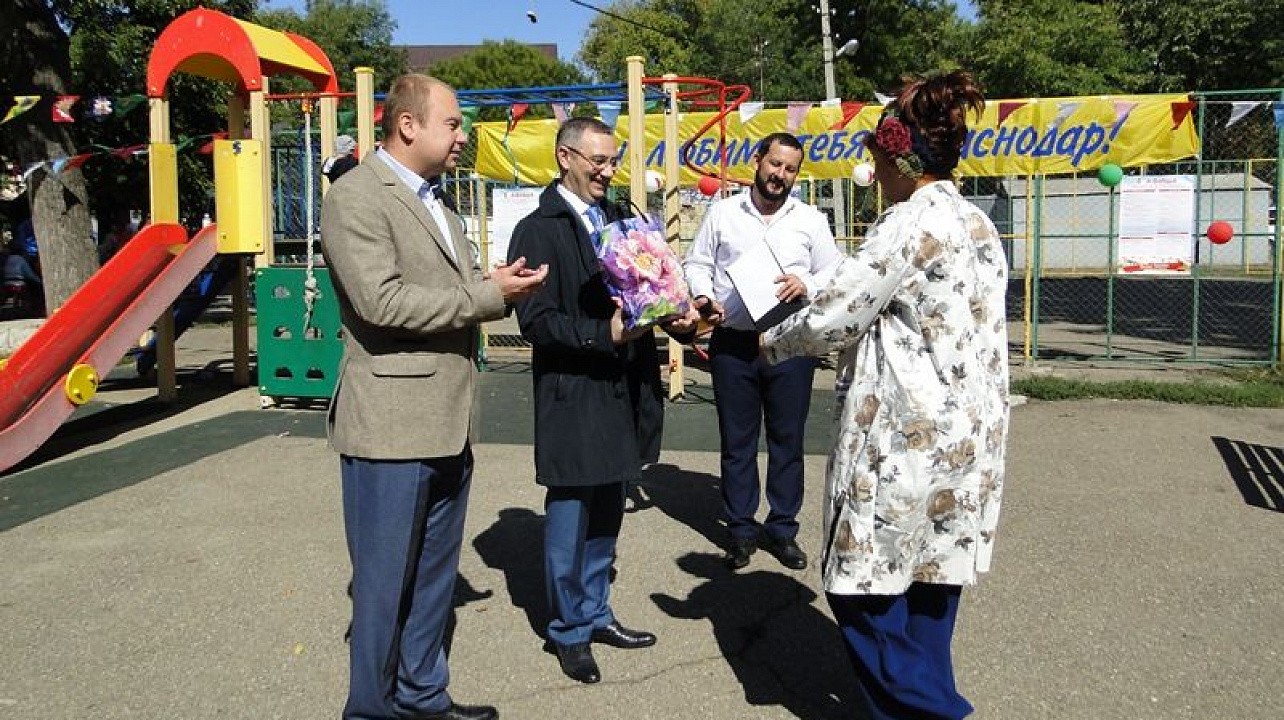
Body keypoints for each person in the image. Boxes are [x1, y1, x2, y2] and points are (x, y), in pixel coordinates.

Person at [760, 70, 1008, 720]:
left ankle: (941, 713)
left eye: (875, 159)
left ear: (897, 159)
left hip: (906, 442)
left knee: (860, 592)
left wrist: (760, 343)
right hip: (969, 444)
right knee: (929, 593)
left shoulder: (907, 224)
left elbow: (833, 315)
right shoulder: (978, 223)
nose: (874, 173)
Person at [320, 73, 547, 720]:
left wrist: (502, 281)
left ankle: (422, 697)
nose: (462, 134)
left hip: (447, 424)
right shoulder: (358, 197)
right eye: (452, 123)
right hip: (389, 427)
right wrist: (488, 294)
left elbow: (457, 289)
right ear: (408, 124)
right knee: (385, 585)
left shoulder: (440, 207)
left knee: (431, 582)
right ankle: (370, 707)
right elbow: (381, 302)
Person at [507, 117, 697, 685]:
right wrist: (602, 335)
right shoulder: (537, 229)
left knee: (608, 514)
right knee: (569, 519)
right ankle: (568, 631)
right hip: (573, 392)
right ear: (566, 157)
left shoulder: (623, 217)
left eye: (613, 161)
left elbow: (652, 290)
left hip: (624, 388)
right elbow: (535, 321)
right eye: (599, 161)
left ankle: (596, 612)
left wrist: (681, 314)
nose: (609, 171)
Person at [682, 132, 844, 571]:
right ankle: (740, 530)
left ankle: (782, 529)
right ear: (757, 161)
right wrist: (701, 296)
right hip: (732, 341)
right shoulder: (722, 213)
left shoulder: (809, 219)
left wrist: (806, 284)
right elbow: (696, 264)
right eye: (775, 165)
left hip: (790, 341)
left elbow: (834, 271)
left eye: (790, 169)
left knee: (787, 439)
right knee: (737, 442)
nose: (781, 175)